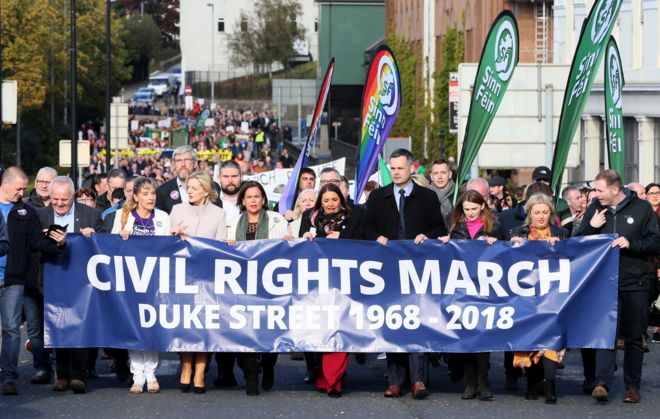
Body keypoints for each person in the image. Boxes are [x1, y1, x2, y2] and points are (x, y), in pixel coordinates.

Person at [364, 148, 446, 399]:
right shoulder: (378, 196)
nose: (396, 172)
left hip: (418, 269)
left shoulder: (427, 197)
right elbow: (366, 228)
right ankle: (395, 380)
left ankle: (419, 379)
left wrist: (427, 236)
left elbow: (439, 227)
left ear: (412, 168)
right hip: (388, 270)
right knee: (394, 323)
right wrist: (375, 236)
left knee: (418, 322)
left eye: (400, 167)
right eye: (392, 168)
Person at [576, 170, 660, 403]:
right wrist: (591, 227)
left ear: (615, 190)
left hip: (635, 280)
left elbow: (655, 242)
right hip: (603, 282)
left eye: (600, 190)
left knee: (633, 337)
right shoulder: (595, 208)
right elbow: (579, 243)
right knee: (605, 333)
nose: (596, 194)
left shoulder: (641, 209)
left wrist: (631, 243)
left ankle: (632, 386)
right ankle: (601, 382)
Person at [36, 177, 102, 394]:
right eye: (55, 199)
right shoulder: (40, 215)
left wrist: (92, 237)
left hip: (84, 279)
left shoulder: (91, 215)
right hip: (53, 276)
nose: (59, 204)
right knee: (59, 324)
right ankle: (62, 375)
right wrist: (45, 239)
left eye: (64, 199)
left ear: (73, 197)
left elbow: (106, 243)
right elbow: (32, 246)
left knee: (80, 324)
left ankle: (79, 375)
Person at [300, 183, 365, 398]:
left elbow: (366, 243)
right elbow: (298, 247)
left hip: (346, 284)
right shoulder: (309, 218)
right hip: (317, 285)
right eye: (326, 200)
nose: (330, 204)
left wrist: (343, 239)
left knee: (340, 329)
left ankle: (334, 380)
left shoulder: (355, 216)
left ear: (341, 200)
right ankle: (322, 375)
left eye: (334, 200)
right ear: (321, 202)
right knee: (321, 330)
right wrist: (305, 239)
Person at [0, 167, 61, 396]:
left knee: (11, 329)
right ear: (5, 183)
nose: (21, 192)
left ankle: (8, 376)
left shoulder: (26, 211)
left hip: (14, 279)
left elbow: (37, 241)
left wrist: (59, 245)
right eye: (18, 188)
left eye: (23, 189)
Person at [438, 190, 502, 401]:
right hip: (461, 287)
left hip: (485, 288)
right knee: (466, 336)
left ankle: (483, 381)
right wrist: (445, 241)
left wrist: (497, 243)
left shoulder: (495, 224)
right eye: (466, 209)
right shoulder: (454, 223)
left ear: (482, 206)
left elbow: (510, 250)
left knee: (482, 336)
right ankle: (470, 382)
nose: (471, 213)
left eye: (474, 208)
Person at [227, 181, 289, 396]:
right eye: (249, 197)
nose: (253, 200)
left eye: (257, 196)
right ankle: (251, 377)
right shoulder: (232, 223)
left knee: (268, 332)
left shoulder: (277, 221)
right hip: (241, 287)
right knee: (245, 332)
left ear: (264, 199)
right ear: (243, 201)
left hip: (270, 287)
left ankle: (269, 365)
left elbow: (288, 251)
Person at [112, 177, 171, 394]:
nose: (150, 198)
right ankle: (137, 374)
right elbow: (110, 247)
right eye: (145, 194)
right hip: (130, 279)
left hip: (155, 279)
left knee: (151, 325)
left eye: (153, 193)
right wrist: (121, 236)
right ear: (135, 197)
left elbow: (167, 247)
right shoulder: (123, 215)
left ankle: (151, 372)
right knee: (134, 326)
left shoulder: (163, 217)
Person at [170, 171, 227, 394]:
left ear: (206, 190)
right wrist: (172, 234)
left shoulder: (219, 213)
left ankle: (200, 372)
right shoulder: (177, 210)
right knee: (185, 324)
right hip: (182, 277)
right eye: (188, 187)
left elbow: (221, 244)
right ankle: (186, 367)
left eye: (194, 187)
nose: (189, 191)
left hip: (208, 278)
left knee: (205, 326)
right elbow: (166, 245)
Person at [510, 193, 568, 404]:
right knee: (529, 337)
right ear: (529, 214)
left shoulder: (562, 233)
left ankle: (550, 384)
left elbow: (573, 260)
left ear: (551, 213)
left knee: (552, 337)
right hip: (526, 294)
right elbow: (507, 261)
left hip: (553, 295)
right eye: (537, 212)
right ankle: (532, 382)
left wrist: (560, 247)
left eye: (545, 212)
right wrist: (514, 245)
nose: (541, 217)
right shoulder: (519, 232)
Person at [156, 145, 222, 214]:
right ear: (174, 164)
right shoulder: (162, 192)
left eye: (187, 160)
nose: (183, 164)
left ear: (195, 164)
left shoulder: (212, 186)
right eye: (178, 160)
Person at [645, 183, 660, 343]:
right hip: (649, 259)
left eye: (658, 193)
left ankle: (657, 328)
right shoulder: (644, 213)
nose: (655, 196)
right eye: (652, 193)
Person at [429, 159, 455, 227]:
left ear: (450, 174)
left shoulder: (459, 195)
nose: (439, 177)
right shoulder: (425, 196)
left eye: (443, 173)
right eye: (436, 173)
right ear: (431, 176)